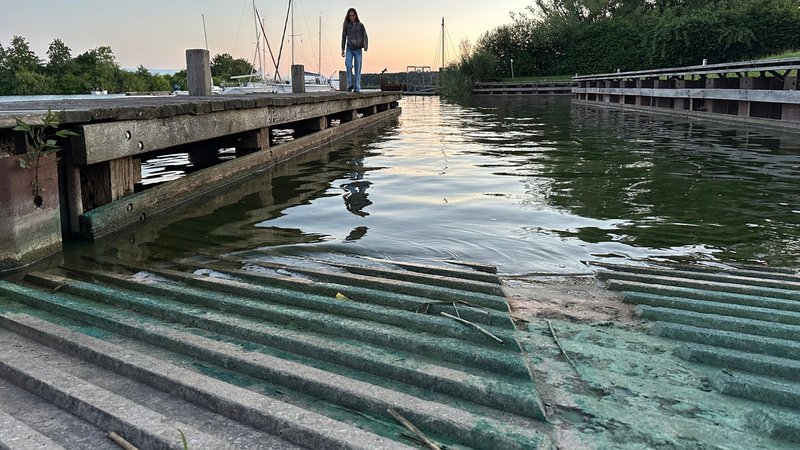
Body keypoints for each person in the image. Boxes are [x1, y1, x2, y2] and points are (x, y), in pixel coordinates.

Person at [341, 8, 368, 92]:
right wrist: (342, 49)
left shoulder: (360, 25)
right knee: (348, 65)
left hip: (358, 49)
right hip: (349, 48)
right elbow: (343, 37)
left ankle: (357, 87)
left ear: (356, 15)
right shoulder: (347, 26)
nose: (351, 17)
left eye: (353, 15)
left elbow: (365, 36)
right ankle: (349, 84)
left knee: (357, 68)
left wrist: (365, 46)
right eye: (350, 16)